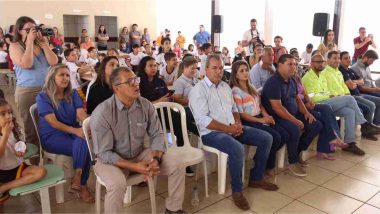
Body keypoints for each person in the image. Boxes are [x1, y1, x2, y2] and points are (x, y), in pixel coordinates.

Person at [90, 66, 186, 214]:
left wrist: (156, 159)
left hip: (138, 153)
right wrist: (134, 167)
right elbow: (104, 153)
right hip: (110, 160)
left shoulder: (145, 105)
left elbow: (157, 134)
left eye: (136, 79)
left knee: (177, 163)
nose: (136, 84)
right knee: (116, 184)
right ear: (116, 88)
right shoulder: (103, 112)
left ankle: (173, 209)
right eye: (130, 81)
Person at [190, 54, 276, 211]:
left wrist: (237, 124)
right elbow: (203, 120)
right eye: (214, 68)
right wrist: (229, 129)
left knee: (266, 138)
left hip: (232, 127)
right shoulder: (198, 91)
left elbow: (234, 109)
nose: (218, 71)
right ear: (206, 69)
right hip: (211, 133)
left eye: (221, 68)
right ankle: (237, 190)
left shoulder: (224, 87)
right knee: (236, 147)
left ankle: (256, 178)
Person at [36, 64, 94, 203]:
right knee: (83, 142)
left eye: (67, 75)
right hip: (52, 135)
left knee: (84, 138)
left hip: (71, 131)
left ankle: (78, 176)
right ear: (52, 77)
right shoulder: (43, 97)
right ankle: (82, 185)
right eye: (61, 75)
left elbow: (81, 114)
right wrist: (77, 131)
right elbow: (53, 123)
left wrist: (87, 126)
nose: (65, 78)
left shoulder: (73, 93)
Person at [302, 54, 380, 156]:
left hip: (329, 101)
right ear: (311, 63)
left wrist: (328, 95)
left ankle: (350, 142)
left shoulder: (321, 76)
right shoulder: (307, 78)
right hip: (318, 105)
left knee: (350, 112)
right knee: (350, 98)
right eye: (318, 62)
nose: (321, 64)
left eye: (322, 62)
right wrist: (328, 95)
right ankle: (364, 124)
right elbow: (312, 97)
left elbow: (325, 91)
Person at [261, 54, 322, 177]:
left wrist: (306, 113)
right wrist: (295, 120)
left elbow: (297, 99)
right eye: (290, 64)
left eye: (295, 64)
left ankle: (297, 152)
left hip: (292, 114)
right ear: (280, 65)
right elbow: (277, 107)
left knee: (316, 124)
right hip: (277, 117)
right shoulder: (274, 82)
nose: (293, 67)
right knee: (294, 128)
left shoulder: (291, 80)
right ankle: (292, 162)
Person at [9, 16, 58, 159]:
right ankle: (35, 163)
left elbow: (53, 61)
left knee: (48, 126)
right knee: (31, 130)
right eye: (28, 30)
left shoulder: (41, 44)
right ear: (19, 31)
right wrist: (29, 42)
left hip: (46, 90)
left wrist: (44, 45)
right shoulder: (15, 46)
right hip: (27, 92)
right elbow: (26, 64)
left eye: (34, 29)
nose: (33, 32)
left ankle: (49, 159)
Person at [230, 60, 287, 175]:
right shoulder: (236, 91)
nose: (245, 73)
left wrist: (266, 115)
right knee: (274, 136)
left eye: (246, 70)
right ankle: (267, 165)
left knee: (283, 134)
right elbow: (241, 114)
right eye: (241, 71)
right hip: (249, 121)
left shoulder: (251, 87)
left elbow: (259, 105)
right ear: (236, 74)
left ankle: (261, 158)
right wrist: (261, 120)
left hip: (259, 116)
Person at [0, 98, 47, 203]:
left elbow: (21, 144)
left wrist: (21, 148)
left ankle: (4, 187)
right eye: (2, 114)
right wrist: (5, 135)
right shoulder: (7, 132)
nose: (8, 116)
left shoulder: (15, 129)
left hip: (18, 167)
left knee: (41, 172)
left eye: (9, 112)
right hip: (1, 172)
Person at [340, 51, 380, 128]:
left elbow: (362, 81)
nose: (349, 60)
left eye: (349, 57)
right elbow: (353, 86)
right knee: (371, 105)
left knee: (372, 104)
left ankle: (374, 125)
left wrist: (354, 82)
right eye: (346, 58)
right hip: (357, 93)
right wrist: (374, 89)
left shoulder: (350, 70)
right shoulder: (349, 69)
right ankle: (369, 128)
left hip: (359, 93)